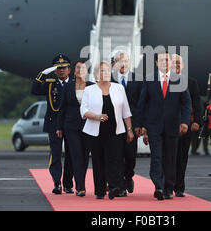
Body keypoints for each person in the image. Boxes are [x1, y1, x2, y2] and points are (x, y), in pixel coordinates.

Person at [135, 51, 191, 200]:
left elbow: (186, 103)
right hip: (154, 126)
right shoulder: (149, 79)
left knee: (170, 157)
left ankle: (168, 188)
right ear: (156, 63)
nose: (165, 62)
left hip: (173, 126)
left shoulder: (180, 79)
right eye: (161, 60)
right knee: (157, 156)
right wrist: (139, 124)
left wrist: (185, 121)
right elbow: (142, 103)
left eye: (167, 60)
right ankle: (158, 186)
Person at [80, 61, 134, 200]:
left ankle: (115, 186)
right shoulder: (89, 90)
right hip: (95, 132)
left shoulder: (119, 88)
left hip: (115, 131)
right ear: (97, 74)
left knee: (114, 159)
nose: (106, 73)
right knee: (98, 161)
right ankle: (100, 190)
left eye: (108, 71)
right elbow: (83, 111)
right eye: (102, 71)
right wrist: (96, 116)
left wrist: (129, 130)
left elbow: (126, 111)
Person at [31, 54, 73, 195]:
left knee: (71, 155)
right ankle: (57, 182)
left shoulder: (74, 83)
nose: (61, 70)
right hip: (53, 123)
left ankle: (68, 184)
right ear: (54, 70)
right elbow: (34, 90)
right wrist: (43, 74)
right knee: (55, 154)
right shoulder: (50, 83)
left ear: (69, 69)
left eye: (64, 67)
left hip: (71, 124)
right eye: (58, 68)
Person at [56, 59, 93, 197]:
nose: (80, 70)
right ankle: (80, 187)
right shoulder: (68, 87)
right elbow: (62, 108)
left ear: (86, 71)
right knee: (76, 154)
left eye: (83, 68)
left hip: (87, 125)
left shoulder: (92, 86)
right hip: (70, 126)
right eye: (78, 67)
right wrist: (59, 126)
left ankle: (75, 182)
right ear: (74, 70)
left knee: (84, 156)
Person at [111, 51, 142, 196]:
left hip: (132, 124)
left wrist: (142, 124)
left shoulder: (138, 80)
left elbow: (142, 104)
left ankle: (128, 176)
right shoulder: (110, 80)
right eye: (120, 61)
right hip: (114, 124)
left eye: (126, 61)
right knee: (116, 155)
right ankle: (121, 185)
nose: (123, 64)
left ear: (130, 63)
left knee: (130, 155)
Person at [170, 54, 202, 197]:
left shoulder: (191, 82)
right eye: (174, 63)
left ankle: (179, 187)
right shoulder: (163, 81)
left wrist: (197, 121)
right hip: (168, 125)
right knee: (168, 156)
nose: (176, 65)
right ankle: (166, 185)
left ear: (182, 66)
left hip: (184, 125)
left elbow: (197, 104)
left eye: (179, 63)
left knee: (182, 157)